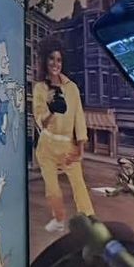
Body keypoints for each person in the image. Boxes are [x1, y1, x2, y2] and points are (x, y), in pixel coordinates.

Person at [32, 45, 94, 232]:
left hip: (68, 145)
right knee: (53, 190)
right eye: (51, 59)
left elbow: (79, 118)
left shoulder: (72, 88)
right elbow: (40, 120)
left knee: (79, 185)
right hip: (47, 145)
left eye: (59, 60)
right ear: (45, 61)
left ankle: (90, 222)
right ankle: (58, 219)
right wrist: (52, 111)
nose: (55, 63)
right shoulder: (40, 88)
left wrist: (81, 149)